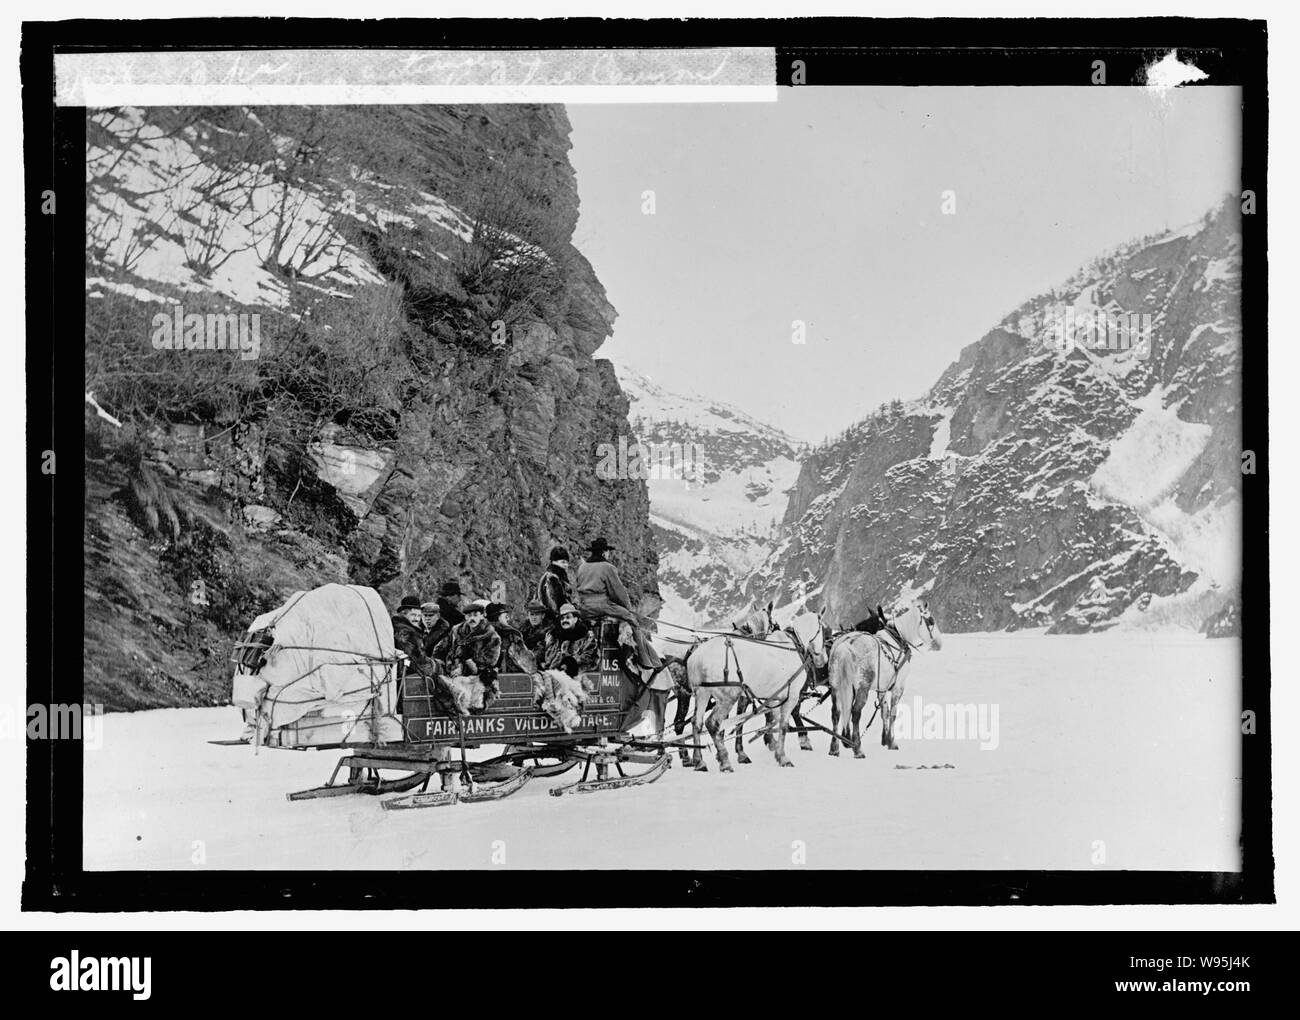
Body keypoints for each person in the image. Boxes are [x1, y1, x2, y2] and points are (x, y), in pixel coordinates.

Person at [573, 537, 662, 670]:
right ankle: (645, 660)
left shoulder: (582, 567)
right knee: (632, 621)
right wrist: (628, 609)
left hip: (584, 607)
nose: (609, 554)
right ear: (604, 553)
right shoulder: (607, 568)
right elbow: (618, 592)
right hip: (602, 606)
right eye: (608, 551)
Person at [432, 599, 503, 704]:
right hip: (452, 672)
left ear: (482, 616)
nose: (472, 619)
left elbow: (490, 661)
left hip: (479, 676)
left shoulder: (491, 636)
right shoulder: (456, 631)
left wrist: (465, 664)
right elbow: (440, 648)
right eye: (469, 616)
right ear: (465, 617)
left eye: (475, 615)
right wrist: (445, 664)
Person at [391, 595, 432, 715]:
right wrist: (433, 665)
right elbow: (413, 656)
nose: (417, 619)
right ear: (404, 614)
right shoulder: (404, 631)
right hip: (403, 671)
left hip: (404, 670)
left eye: (419, 616)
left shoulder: (408, 628)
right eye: (413, 615)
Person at [541, 603, 599, 676]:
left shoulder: (587, 637)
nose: (564, 620)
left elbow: (588, 659)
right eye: (562, 618)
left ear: (575, 619)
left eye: (568, 617)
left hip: (577, 677)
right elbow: (543, 653)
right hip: (551, 675)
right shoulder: (553, 636)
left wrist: (568, 663)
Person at [486, 602, 529, 673]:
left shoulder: (481, 633)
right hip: (510, 677)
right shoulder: (512, 634)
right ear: (498, 617)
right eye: (505, 616)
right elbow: (525, 661)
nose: (508, 618)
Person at [536, 546, 573, 623]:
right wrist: (559, 616)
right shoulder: (552, 578)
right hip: (552, 618)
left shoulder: (557, 576)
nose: (566, 565)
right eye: (563, 562)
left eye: (567, 562)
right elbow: (551, 602)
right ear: (554, 561)